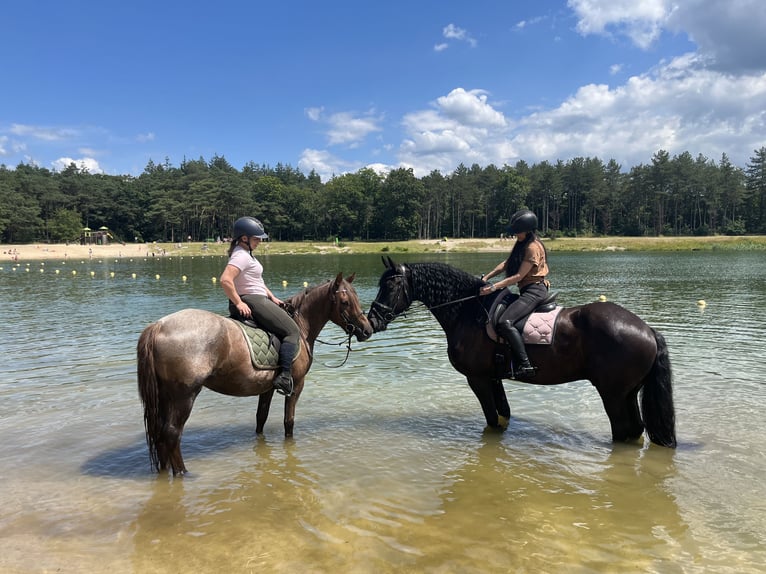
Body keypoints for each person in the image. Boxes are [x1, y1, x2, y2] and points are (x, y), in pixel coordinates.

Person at [220, 216, 300, 396]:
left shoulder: (247, 254)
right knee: (292, 331)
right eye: (256, 238)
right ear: (244, 238)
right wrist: (239, 302)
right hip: (252, 300)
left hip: (259, 298)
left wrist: (273, 297)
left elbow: (257, 281)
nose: (259, 242)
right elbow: (225, 280)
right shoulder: (241, 255)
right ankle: (285, 377)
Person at [480, 209, 550, 378]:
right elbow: (506, 263)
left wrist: (494, 287)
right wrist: (487, 277)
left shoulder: (533, 247)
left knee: (505, 322)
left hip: (535, 291)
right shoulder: (522, 243)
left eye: (517, 232)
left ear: (527, 230)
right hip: (526, 289)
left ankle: (525, 365)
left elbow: (518, 276)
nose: (515, 235)